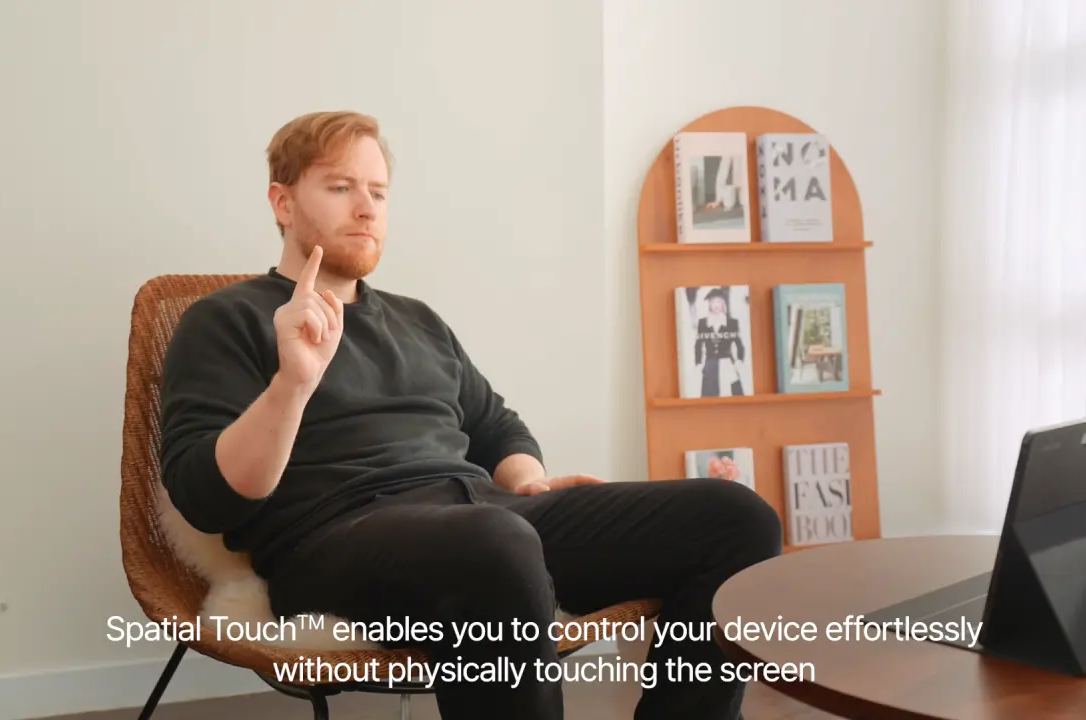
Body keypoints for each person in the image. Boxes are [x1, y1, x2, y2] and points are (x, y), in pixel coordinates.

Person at [158, 110, 784, 720]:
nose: (367, 207)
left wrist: (527, 480)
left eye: (379, 191)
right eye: (341, 187)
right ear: (283, 202)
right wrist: (291, 384)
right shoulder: (226, 319)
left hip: (486, 516)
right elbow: (206, 498)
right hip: (333, 541)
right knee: (493, 541)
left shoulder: (417, 320)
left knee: (736, 518)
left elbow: (496, 426)